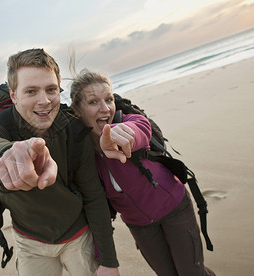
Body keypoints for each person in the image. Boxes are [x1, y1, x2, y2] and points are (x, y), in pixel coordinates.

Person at [0, 49, 120, 276]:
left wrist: (109, 262)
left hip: (77, 235)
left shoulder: (74, 130)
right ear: (14, 96)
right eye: (31, 91)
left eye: (51, 90)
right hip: (30, 241)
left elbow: (94, 196)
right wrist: (7, 154)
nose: (45, 101)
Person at [70, 68, 215, 276]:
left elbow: (140, 131)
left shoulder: (130, 121)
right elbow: (94, 203)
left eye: (109, 100)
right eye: (93, 102)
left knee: (192, 273)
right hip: (140, 226)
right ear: (77, 110)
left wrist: (122, 136)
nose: (105, 109)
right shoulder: (83, 154)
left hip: (174, 207)